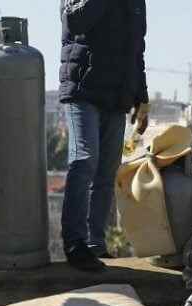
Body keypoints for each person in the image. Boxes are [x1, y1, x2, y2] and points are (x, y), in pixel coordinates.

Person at [59, 0, 150, 271]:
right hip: (83, 89)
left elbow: (137, 48)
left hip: (116, 96)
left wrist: (141, 97)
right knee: (84, 159)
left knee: (107, 172)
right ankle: (75, 244)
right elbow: (73, 22)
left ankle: (95, 244)